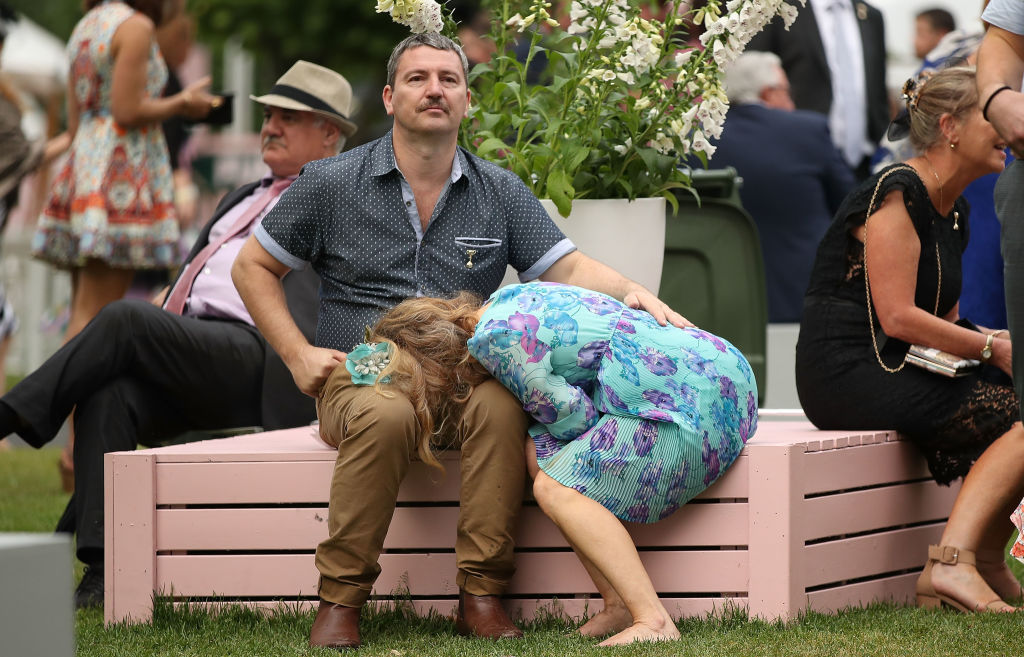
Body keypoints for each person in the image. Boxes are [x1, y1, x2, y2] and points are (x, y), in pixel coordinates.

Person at [231, 32, 687, 651]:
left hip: (462, 376)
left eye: (448, 79)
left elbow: (569, 267)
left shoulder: (498, 190)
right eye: (417, 78)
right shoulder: (332, 182)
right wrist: (296, 354)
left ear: (467, 100)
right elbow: (252, 266)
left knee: (502, 404)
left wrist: (632, 290)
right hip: (365, 376)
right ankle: (341, 599)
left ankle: (481, 596)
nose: (434, 90)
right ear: (389, 97)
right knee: (387, 414)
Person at [0, 59, 356, 609]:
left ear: (329, 133)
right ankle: (103, 570)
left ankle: (15, 415)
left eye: (287, 117)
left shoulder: (339, 197)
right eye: (268, 116)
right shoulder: (244, 195)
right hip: (199, 346)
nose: (270, 127)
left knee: (125, 318)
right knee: (109, 392)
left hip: (266, 355)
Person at [354, 282, 756, 645]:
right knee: (538, 455)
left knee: (554, 487)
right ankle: (616, 603)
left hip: (686, 408)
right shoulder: (503, 300)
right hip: (722, 374)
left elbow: (569, 412)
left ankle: (653, 620)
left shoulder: (494, 340)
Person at [796, 66, 1024, 613]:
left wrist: (999, 341)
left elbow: (945, 322)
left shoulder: (955, 208)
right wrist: (995, 348)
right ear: (950, 126)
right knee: (1018, 413)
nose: (1010, 127)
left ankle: (985, 558)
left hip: (897, 362)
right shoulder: (897, 191)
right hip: (849, 371)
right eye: (993, 115)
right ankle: (951, 563)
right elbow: (898, 318)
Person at [32, 0, 217, 342]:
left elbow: (74, 127)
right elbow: (127, 111)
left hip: (85, 171)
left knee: (83, 309)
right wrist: (182, 103)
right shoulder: (135, 26)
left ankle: (69, 379)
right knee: (98, 313)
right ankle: (77, 381)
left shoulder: (86, 26)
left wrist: (35, 158)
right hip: (118, 176)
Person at [707, 51, 854, 322]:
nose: (792, 101)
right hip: (804, 290)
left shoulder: (699, 139)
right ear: (768, 93)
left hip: (719, 295)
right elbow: (851, 203)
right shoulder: (808, 130)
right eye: (787, 91)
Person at [746, 0, 887, 180]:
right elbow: (755, 83)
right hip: (800, 160)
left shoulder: (871, 16)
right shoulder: (777, 9)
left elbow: (878, 93)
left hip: (866, 165)